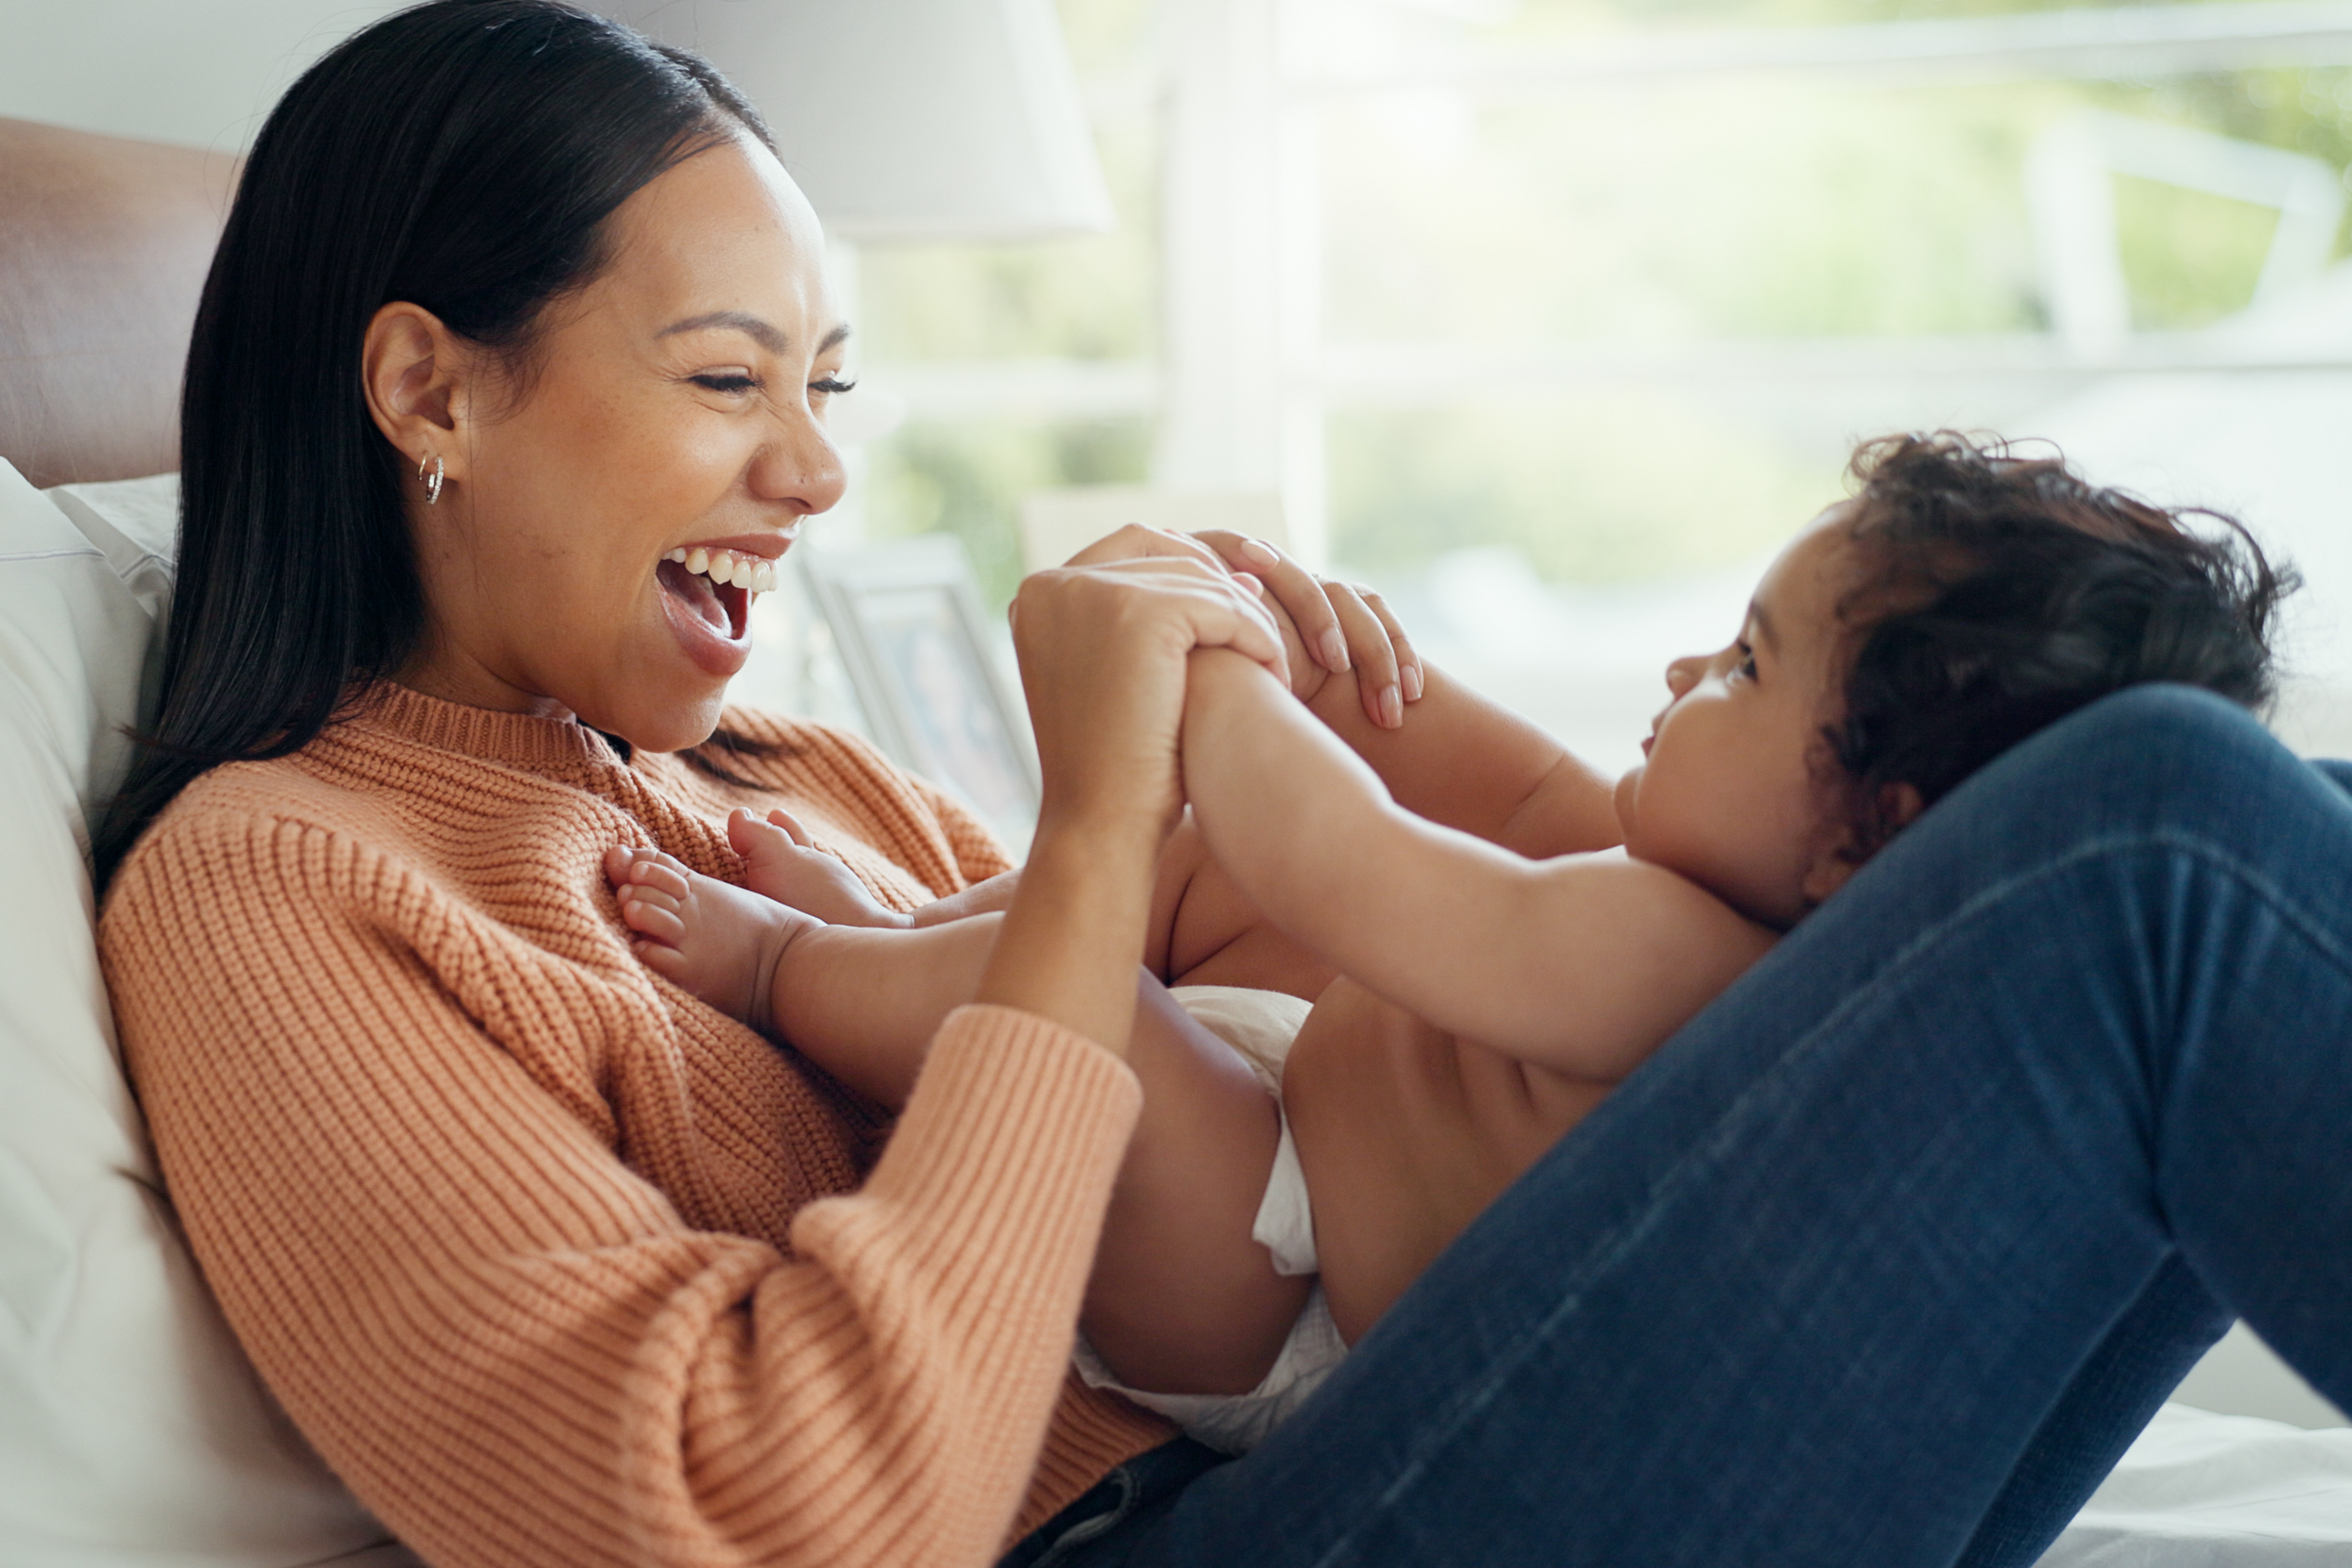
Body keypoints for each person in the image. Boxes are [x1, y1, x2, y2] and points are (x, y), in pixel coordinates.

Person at [94, 5, 2352, 1567]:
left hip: (1362, 1404)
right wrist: (1092, 835)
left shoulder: (788, 767)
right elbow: (766, 1521)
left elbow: (1314, 1033)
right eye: (726, 379)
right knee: (2165, 843)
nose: (817, 471)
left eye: (834, 386)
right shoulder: (287, 885)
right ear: (429, 390)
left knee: (2249, 818)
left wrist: (1309, 726)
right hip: (1185, 1519)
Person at [597, 431, 2290, 1455]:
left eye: (1750, 670)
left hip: (1276, 1303)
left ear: (1877, 839)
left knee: (1100, 1010)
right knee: (1172, 877)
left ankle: (791, 976)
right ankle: (906, 932)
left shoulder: (1685, 969)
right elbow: (1521, 779)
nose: (1688, 678)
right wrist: (1340, 657)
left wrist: (1216, 679)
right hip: (1287, 1130)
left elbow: (1350, 867)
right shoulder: (1710, 897)